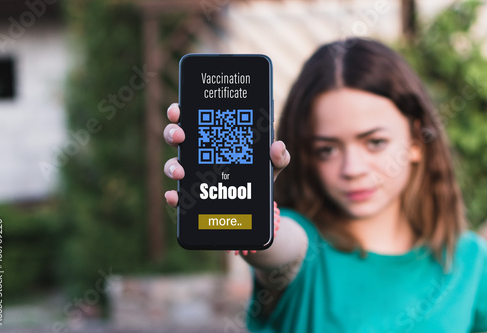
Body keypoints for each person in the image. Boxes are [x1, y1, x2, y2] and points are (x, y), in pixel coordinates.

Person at [163, 38, 487, 332]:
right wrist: (247, 214)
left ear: (418, 138)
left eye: (374, 142)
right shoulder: (307, 252)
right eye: (326, 149)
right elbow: (280, 248)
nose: (352, 169)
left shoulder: (471, 261)